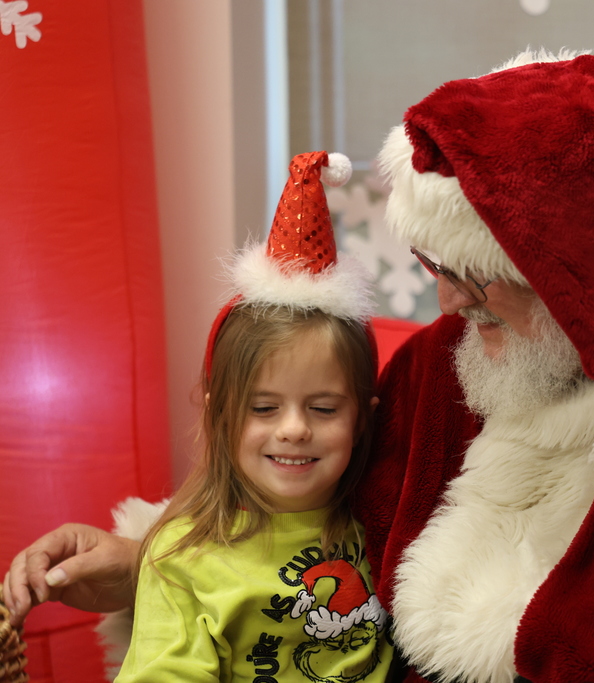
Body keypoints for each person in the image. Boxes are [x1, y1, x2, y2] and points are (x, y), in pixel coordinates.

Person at [5, 49, 594, 682]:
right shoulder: (439, 374)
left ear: (582, 274)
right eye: (436, 268)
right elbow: (312, 536)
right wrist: (151, 560)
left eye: (478, 276)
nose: (448, 304)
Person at [117, 151, 393, 681]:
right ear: (218, 414)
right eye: (264, 408)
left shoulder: (384, 524)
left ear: (362, 419)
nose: (294, 429)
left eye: (323, 408)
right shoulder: (180, 558)